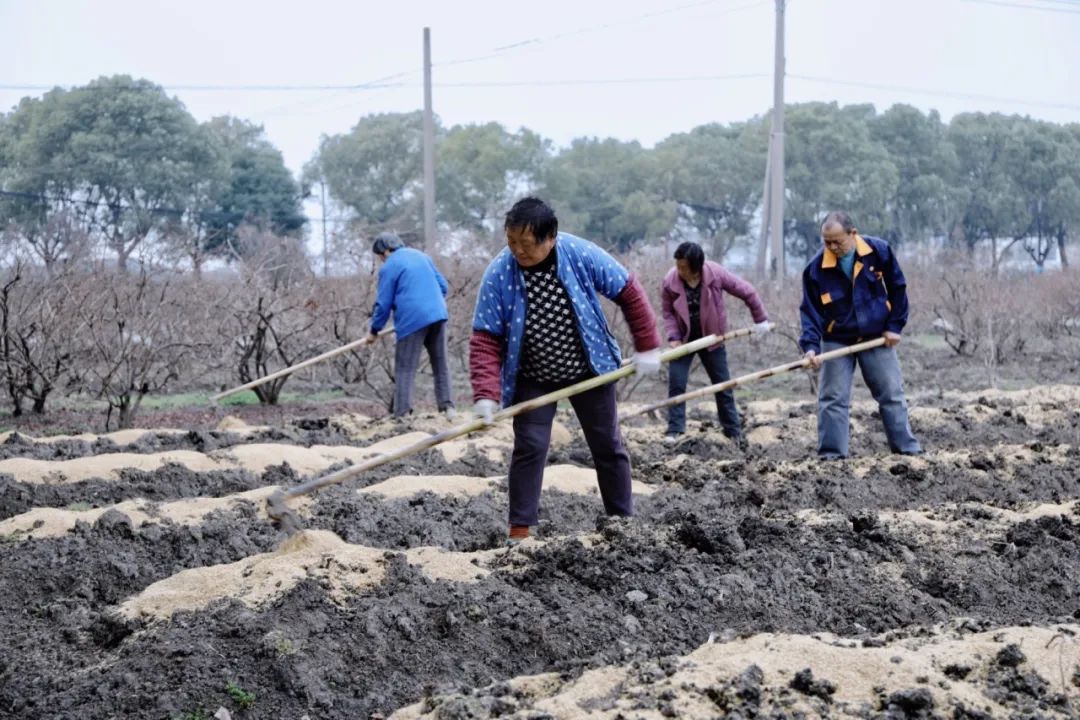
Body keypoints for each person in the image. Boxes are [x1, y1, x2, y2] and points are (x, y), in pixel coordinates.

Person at [469, 197, 662, 542]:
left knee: (607, 444)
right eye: (511, 242)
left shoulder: (580, 254)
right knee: (529, 445)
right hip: (533, 375)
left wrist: (647, 345)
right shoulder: (500, 272)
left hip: (590, 367)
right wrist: (486, 394)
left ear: (550, 237)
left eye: (526, 245)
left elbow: (628, 291)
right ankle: (520, 530)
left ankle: (622, 524)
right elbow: (485, 336)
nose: (518, 251)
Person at [799, 211, 922, 459]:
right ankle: (832, 456)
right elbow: (810, 312)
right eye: (826, 242)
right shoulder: (815, 270)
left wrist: (895, 326)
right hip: (837, 338)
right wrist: (811, 347)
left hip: (876, 335)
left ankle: (907, 452)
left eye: (837, 241)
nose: (832, 247)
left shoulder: (878, 251)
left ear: (853, 234)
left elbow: (898, 288)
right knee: (832, 398)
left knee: (891, 393)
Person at [661, 242, 771, 445]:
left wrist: (760, 320)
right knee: (677, 384)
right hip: (683, 340)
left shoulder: (715, 274)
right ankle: (674, 430)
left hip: (712, 337)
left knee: (723, 385)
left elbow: (746, 291)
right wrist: (673, 337)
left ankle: (733, 431)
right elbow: (668, 313)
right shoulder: (670, 281)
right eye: (678, 265)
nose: (679, 270)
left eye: (684, 267)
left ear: (696, 266)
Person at [365, 232, 456, 420]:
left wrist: (374, 330)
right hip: (437, 314)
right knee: (440, 364)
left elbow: (383, 303)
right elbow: (443, 286)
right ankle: (448, 408)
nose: (381, 260)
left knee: (405, 367)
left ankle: (402, 413)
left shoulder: (390, 266)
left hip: (411, 320)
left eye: (380, 256)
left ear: (387, 251)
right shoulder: (422, 256)